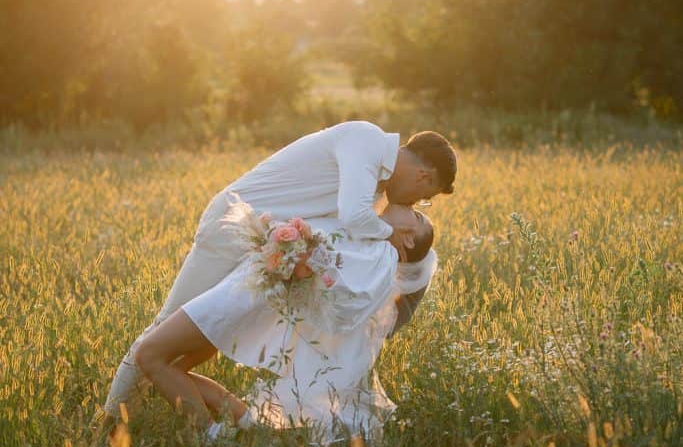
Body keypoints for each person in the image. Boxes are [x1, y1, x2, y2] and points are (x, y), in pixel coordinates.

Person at [103, 121, 456, 419]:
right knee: (166, 324)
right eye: (426, 198)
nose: (416, 204)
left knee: (207, 335)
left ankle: (219, 424)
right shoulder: (365, 141)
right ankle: (110, 417)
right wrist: (392, 234)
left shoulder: (375, 180)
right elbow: (352, 216)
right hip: (233, 226)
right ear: (424, 177)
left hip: (268, 243)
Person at [133, 201, 437, 447]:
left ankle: (215, 442)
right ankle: (241, 428)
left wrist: (307, 253)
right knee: (166, 363)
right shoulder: (368, 237)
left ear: (408, 237)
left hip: (252, 303)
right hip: (255, 300)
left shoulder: (382, 260)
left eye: (418, 215)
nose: (413, 208)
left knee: (157, 359)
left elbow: (346, 302)